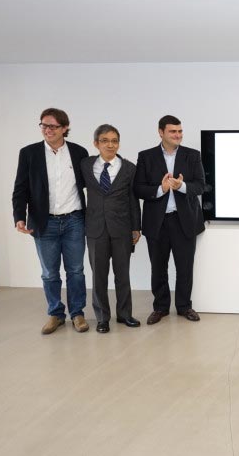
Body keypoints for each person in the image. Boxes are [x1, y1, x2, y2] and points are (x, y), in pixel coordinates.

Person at [12, 108, 89, 334]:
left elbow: (89, 185)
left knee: (76, 270)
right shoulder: (29, 153)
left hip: (74, 220)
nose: (48, 130)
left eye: (53, 126)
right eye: (44, 125)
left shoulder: (79, 152)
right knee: (49, 273)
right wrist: (19, 216)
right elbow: (20, 188)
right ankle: (55, 314)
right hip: (43, 222)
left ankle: (77, 313)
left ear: (65, 128)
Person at [134, 115, 205, 325]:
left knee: (185, 267)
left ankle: (184, 306)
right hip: (157, 222)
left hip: (185, 221)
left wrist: (181, 186)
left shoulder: (193, 155)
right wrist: (161, 189)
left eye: (180, 131)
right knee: (158, 268)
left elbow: (201, 186)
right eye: (173, 131)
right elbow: (138, 188)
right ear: (161, 132)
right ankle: (160, 307)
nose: (178, 135)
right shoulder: (146, 156)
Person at [81, 124, 142, 333]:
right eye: (105, 141)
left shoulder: (129, 168)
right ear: (96, 143)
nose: (110, 145)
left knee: (122, 274)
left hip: (121, 228)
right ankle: (102, 318)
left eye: (114, 141)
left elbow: (133, 199)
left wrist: (136, 227)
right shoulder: (86, 165)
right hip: (95, 228)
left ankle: (125, 314)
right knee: (98, 276)